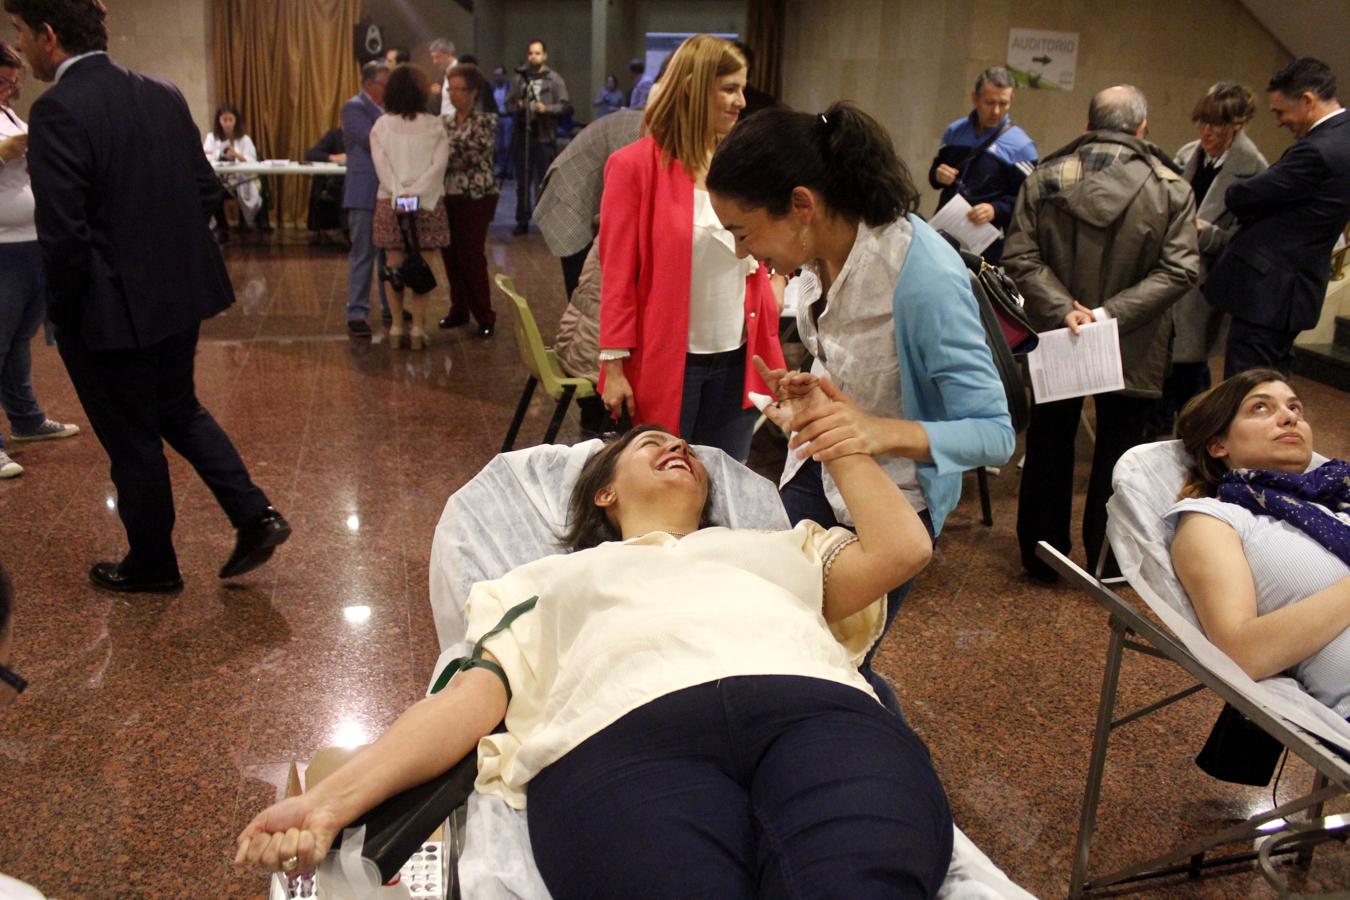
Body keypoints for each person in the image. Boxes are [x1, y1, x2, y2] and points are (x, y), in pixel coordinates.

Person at [236, 412, 954, 899]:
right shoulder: (539, 583)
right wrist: (327, 805)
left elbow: (903, 549)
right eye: (649, 444)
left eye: (684, 446)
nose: (676, 447)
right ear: (605, 490)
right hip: (621, 745)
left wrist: (845, 443)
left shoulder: (781, 546)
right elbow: (458, 708)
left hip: (816, 718)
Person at [706, 100, 1015, 702]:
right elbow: (855, 355)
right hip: (821, 466)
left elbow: (994, 432)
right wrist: (814, 384)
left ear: (801, 206)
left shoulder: (921, 278)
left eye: (744, 232)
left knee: (832, 661)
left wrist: (880, 431)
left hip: (891, 501)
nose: (743, 251)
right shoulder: (821, 250)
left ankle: (876, 740)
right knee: (781, 637)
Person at [11, 0, 290, 592]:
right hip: (175, 296)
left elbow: (63, 234)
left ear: (48, 36)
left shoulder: (57, 108)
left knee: (131, 436)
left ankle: (153, 565)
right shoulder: (161, 93)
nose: (20, 47)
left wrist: (62, 314)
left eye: (19, 32)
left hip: (108, 310)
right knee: (178, 409)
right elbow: (203, 191)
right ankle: (255, 514)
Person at [1002, 85, 1199, 582]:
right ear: (1142, 128)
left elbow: (1019, 258)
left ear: (1089, 124)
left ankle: (1043, 557)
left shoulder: (1044, 177)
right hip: (1134, 336)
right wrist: (1110, 313)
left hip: (1058, 332)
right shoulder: (1170, 186)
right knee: (1120, 447)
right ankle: (1110, 562)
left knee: (1049, 440)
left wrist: (1065, 308)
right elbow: (1179, 270)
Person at [598, 35, 783, 463]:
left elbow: (771, 239)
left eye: (742, 88)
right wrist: (613, 364)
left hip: (740, 361)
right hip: (668, 363)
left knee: (724, 485)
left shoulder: (741, 167)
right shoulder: (634, 167)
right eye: (730, 88)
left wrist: (775, 278)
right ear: (694, 89)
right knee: (666, 490)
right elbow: (617, 274)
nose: (741, 100)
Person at [1168, 369, 1349, 717]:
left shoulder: (1337, 500)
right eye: (1261, 409)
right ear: (1218, 444)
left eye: (1295, 408)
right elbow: (1241, 654)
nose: (1289, 417)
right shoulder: (1214, 519)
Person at [1204, 58, 1350, 377]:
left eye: (1280, 112)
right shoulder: (1344, 134)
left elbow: (1243, 196)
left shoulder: (1319, 150)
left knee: (1248, 385)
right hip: (1293, 291)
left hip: (1271, 292)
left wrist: (1246, 194)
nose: (1279, 122)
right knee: (1271, 379)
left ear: (1308, 100)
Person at [1150, 82, 1268, 435]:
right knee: (1162, 370)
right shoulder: (1189, 153)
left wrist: (1207, 233)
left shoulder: (1255, 170)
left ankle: (1195, 444)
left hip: (1205, 284)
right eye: (1202, 122)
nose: (1207, 133)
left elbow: (1246, 241)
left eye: (1216, 125)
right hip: (1170, 274)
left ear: (1238, 124)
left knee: (1189, 371)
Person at [0, 40, 80, 480]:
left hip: (29, 241)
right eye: (1, 81)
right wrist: (44, 133)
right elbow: (7, 151)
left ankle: (26, 420)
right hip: (1, 245)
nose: (9, 90)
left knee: (17, 341)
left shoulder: (10, 113)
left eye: (13, 82)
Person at [370, 63, 450, 351]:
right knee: (423, 266)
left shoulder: (381, 126)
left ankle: (395, 326)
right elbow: (438, 167)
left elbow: (383, 168)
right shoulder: (435, 125)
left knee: (393, 266)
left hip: (390, 203)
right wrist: (415, 195)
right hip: (427, 204)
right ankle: (417, 327)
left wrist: (401, 196)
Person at [927, 66, 1037, 263]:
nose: (996, 111)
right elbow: (935, 175)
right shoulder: (955, 131)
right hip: (945, 230)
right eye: (989, 103)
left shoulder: (1021, 145)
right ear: (975, 98)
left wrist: (996, 209)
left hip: (986, 242)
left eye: (1003, 104)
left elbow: (1029, 201)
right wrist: (938, 174)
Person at [437, 63, 499, 337]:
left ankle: (484, 314)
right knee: (450, 254)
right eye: (450, 89)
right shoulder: (444, 122)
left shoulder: (486, 120)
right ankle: (458, 310)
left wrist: (444, 154)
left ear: (473, 92)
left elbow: (474, 155)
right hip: (447, 193)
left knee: (471, 254)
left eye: (459, 89)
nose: (453, 95)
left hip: (477, 196)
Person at [341, 61, 392, 337]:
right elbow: (370, 139)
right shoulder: (354, 107)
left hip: (387, 191)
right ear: (370, 83)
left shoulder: (387, 110)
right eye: (385, 84)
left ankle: (390, 306)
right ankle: (357, 311)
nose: (388, 89)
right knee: (363, 254)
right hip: (363, 191)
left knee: (389, 254)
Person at [508, 39, 570, 235]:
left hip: (544, 135)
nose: (533, 56)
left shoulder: (554, 79)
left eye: (537, 53)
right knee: (522, 182)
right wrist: (517, 106)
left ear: (545, 55)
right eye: (530, 53)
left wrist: (547, 109)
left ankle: (547, 223)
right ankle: (522, 220)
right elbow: (508, 104)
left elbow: (565, 105)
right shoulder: (519, 79)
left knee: (545, 181)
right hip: (523, 135)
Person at [202, 102, 263, 235]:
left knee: (222, 190)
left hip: (239, 180)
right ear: (219, 121)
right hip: (220, 179)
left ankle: (243, 226)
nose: (227, 123)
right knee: (212, 191)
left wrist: (237, 155)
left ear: (236, 120)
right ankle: (222, 227)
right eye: (224, 120)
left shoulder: (244, 139)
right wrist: (218, 155)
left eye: (231, 120)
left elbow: (253, 161)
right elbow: (205, 157)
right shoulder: (212, 138)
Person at [303, 125, 347, 236]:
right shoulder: (335, 135)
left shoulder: (367, 134)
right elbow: (311, 154)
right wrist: (332, 157)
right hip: (340, 181)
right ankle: (346, 231)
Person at [490, 65, 512, 178]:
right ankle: (502, 169)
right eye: (496, 75)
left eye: (499, 75)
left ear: (504, 75)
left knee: (507, 144)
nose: (497, 77)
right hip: (497, 117)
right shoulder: (493, 87)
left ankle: (509, 170)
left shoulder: (509, 87)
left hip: (507, 117)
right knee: (499, 145)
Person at [426, 38, 456, 117]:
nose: (434, 61)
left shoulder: (461, 72)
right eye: (433, 58)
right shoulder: (443, 74)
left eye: (438, 57)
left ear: (449, 54)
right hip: (446, 120)